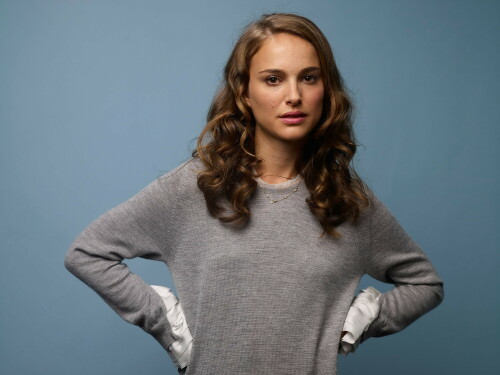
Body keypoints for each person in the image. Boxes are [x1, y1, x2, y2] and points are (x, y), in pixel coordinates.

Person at [64, 13, 444, 375]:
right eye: (273, 79)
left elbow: (426, 285)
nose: (294, 95)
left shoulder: (344, 199)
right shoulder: (197, 187)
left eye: (309, 77)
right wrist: (166, 322)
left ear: (326, 90)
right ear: (244, 92)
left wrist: (367, 317)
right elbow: (88, 252)